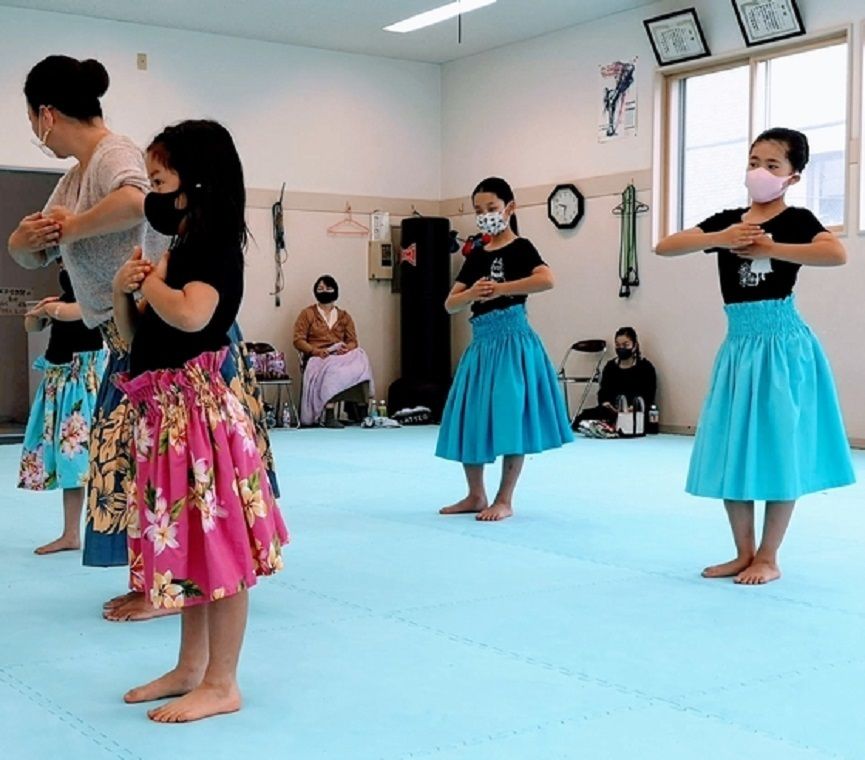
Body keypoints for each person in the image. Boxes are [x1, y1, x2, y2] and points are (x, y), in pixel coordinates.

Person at [7, 55, 281, 622]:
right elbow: (33, 250)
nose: (155, 193)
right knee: (145, 470)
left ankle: (190, 580)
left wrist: (78, 235)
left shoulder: (115, 158)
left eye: (162, 184)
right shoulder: (75, 177)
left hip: (187, 358)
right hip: (134, 340)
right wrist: (24, 239)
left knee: (190, 480)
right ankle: (166, 580)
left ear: (46, 115)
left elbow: (137, 205)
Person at [112, 119, 288, 722]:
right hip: (165, 416)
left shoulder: (213, 247)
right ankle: (191, 667)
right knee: (187, 545)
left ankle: (223, 681)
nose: (153, 193)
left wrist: (153, 285)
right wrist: (122, 292)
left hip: (199, 417)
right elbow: (137, 334)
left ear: (194, 184)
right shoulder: (182, 243)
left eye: (160, 180)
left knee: (221, 549)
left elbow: (191, 317)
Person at [655, 127, 855, 585]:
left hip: (783, 344)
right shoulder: (729, 220)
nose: (759, 172)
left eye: (772, 165)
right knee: (733, 447)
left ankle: (769, 555)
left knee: (780, 448)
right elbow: (665, 246)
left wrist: (769, 247)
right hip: (739, 346)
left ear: (793, 176)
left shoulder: (797, 219)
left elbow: (835, 253)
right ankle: (743, 552)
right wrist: (724, 237)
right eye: (753, 162)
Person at [435, 177, 573, 521]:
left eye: (492, 209)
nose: (485, 216)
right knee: (470, 417)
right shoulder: (477, 254)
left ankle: (504, 498)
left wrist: (501, 289)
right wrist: (472, 295)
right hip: (481, 344)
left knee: (511, 417)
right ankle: (475, 493)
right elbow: (450, 304)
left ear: (509, 208)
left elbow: (547, 280)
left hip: (513, 341)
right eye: (479, 211)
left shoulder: (522, 247)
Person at [18, 263, 106, 555]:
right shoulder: (61, 299)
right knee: (70, 462)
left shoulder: (93, 296)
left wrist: (49, 309)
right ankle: (70, 533)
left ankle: (100, 534)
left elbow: (73, 312)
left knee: (82, 458)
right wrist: (41, 311)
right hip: (58, 377)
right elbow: (31, 324)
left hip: (80, 380)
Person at [292, 275, 374, 427]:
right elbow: (298, 340)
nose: (325, 291)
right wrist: (315, 350)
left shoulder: (344, 316)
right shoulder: (307, 314)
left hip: (340, 354)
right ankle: (329, 413)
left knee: (361, 359)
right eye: (320, 288)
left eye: (328, 288)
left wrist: (346, 348)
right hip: (318, 357)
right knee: (332, 369)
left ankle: (361, 408)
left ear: (335, 291)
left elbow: (353, 341)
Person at [573, 326, 656, 429]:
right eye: (618, 345)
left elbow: (649, 394)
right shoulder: (610, 367)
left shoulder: (645, 367)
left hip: (635, 412)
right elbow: (603, 392)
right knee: (583, 417)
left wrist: (633, 407)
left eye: (625, 345)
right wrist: (606, 403)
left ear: (634, 346)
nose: (621, 348)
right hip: (612, 412)